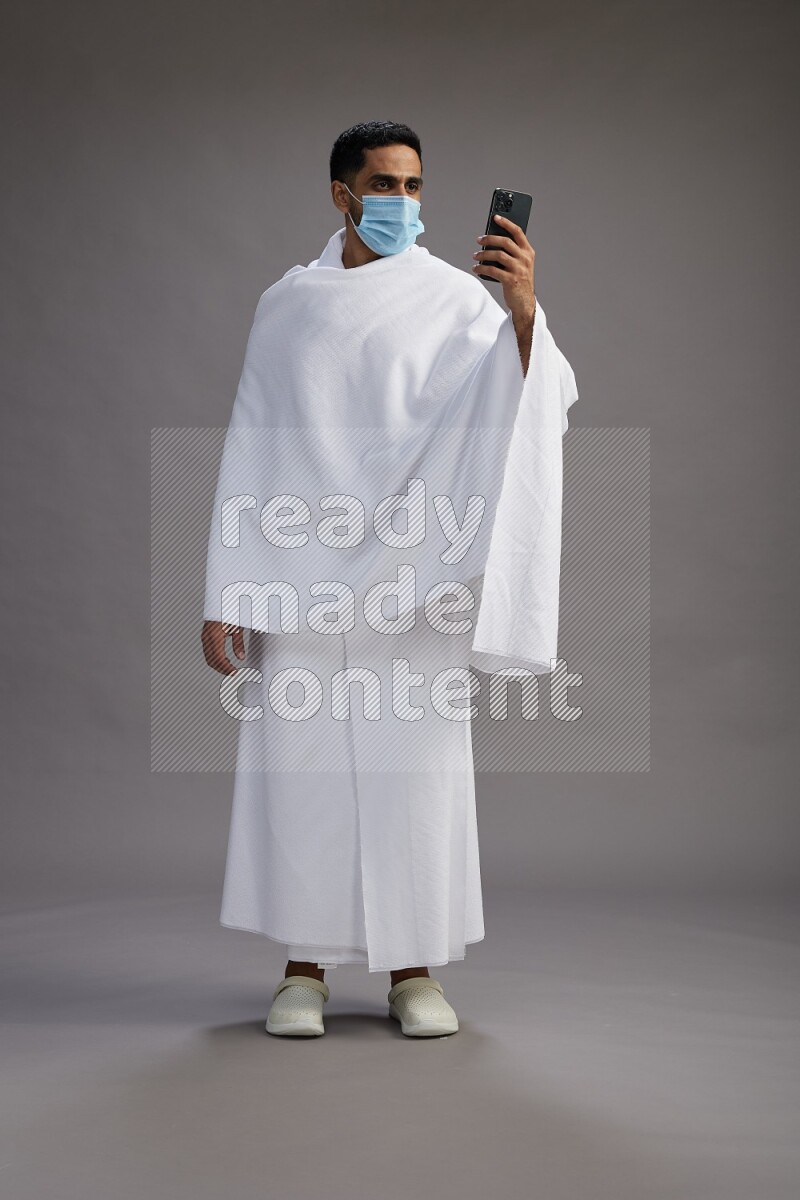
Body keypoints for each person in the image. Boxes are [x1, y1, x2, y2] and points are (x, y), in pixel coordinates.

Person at [201, 120, 578, 1037]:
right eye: (384, 184)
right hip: (302, 572)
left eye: (414, 186)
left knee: (417, 772)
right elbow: (253, 442)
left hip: (417, 572)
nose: (402, 203)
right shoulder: (287, 306)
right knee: (303, 769)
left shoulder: (459, 298)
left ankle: (416, 972)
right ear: (341, 193)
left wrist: (524, 310)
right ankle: (304, 969)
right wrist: (226, 589)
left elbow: (535, 398)